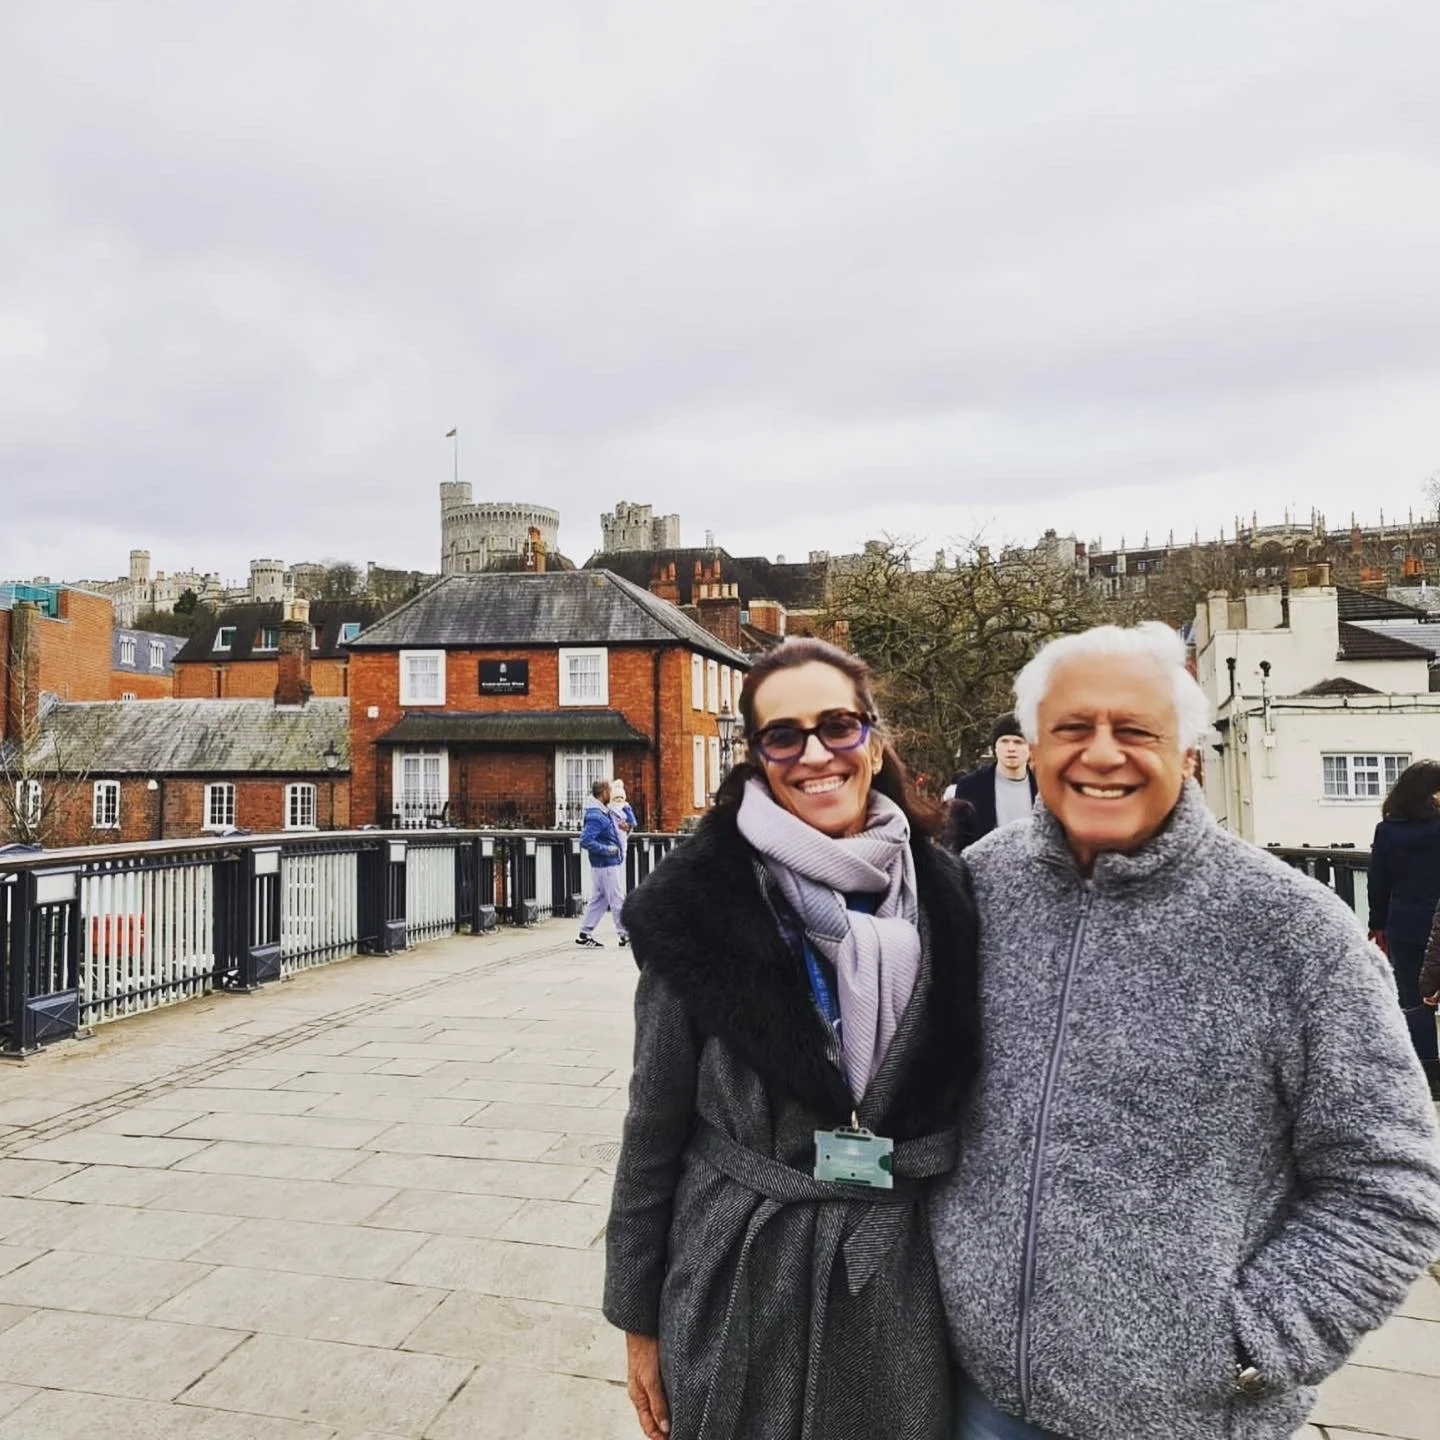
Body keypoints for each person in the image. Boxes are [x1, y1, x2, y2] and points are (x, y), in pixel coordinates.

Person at [930, 621, 1440, 1440]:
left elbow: (1390, 1186)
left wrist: (1253, 1346)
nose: (1102, 754)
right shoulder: (973, 891)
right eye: (1072, 729)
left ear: (1189, 754)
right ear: (1030, 746)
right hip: (976, 1400)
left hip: (1190, 1418)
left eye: (1135, 730)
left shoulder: (1294, 931)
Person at [605, 637, 981, 1440]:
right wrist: (637, 1318)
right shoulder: (699, 908)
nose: (814, 754)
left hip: (898, 1276)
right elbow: (653, 1125)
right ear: (757, 757)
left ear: (873, 742)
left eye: (837, 726)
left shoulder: (950, 892)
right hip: (741, 1269)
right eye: (784, 735)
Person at [1367, 759, 1440, 1093]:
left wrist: (1377, 924)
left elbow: (1378, 883)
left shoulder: (1388, 830)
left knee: (1414, 999)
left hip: (1406, 922)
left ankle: (1427, 1077)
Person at [943, 714, 1037, 848]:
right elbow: (958, 840)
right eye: (1004, 741)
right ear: (995, 747)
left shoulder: (1046, 787)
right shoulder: (970, 786)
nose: (1011, 748)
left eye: (1018, 742)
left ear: (1030, 748)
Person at [577, 778, 628, 949]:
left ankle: (585, 933)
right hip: (606, 864)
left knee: (599, 898)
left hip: (602, 864)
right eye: (610, 791)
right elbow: (585, 840)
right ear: (604, 793)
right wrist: (607, 850)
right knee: (617, 899)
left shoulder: (600, 812)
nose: (611, 795)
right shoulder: (596, 815)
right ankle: (625, 935)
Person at [609, 777, 639, 866]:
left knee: (622, 844)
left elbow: (632, 820)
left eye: (621, 797)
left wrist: (629, 825)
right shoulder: (610, 807)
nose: (619, 799)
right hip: (613, 831)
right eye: (617, 797)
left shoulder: (626, 807)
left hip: (622, 830)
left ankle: (621, 856)